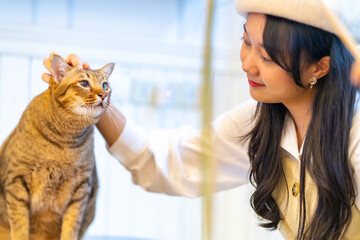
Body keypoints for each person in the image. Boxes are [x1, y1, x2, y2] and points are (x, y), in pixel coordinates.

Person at [42, 0, 360, 239]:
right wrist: (90, 97)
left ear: (320, 66)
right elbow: (169, 161)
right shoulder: (260, 122)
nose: (248, 64)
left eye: (266, 57)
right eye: (246, 42)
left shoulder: (354, 139)